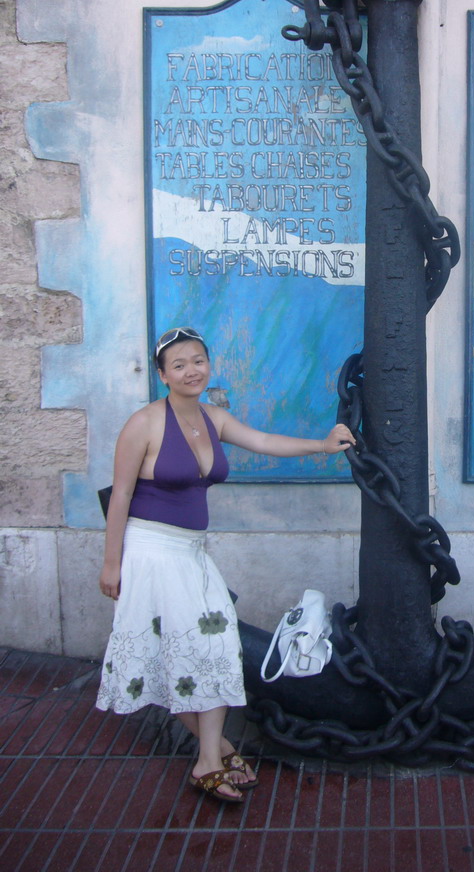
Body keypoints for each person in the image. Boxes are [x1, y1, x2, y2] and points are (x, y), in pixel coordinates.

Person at [96, 326, 355, 802]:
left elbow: (263, 441)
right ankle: (210, 761)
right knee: (178, 653)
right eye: (179, 364)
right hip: (151, 552)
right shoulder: (144, 423)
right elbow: (122, 496)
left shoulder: (213, 419)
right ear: (162, 374)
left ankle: (214, 752)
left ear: (208, 365)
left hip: (192, 553)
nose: (191, 370)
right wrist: (111, 564)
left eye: (198, 360)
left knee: (214, 650)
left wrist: (322, 446)